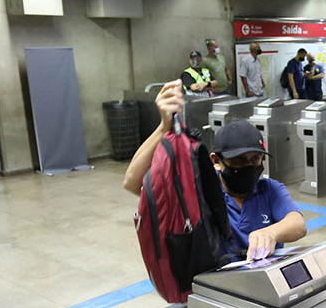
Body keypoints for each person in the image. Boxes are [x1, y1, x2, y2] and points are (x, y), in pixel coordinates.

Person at [123, 80, 307, 261]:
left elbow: (297, 224)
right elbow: (132, 182)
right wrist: (164, 127)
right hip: (214, 283)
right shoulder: (199, 192)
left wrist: (271, 233)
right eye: (239, 160)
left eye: (255, 159)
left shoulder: (269, 190)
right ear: (216, 161)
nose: (249, 166)